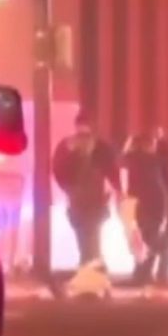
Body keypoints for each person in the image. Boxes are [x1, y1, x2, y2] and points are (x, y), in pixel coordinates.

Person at [52, 112, 119, 271]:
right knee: (88, 235)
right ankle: (91, 266)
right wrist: (117, 189)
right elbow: (112, 170)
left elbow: (58, 169)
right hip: (87, 197)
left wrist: (67, 187)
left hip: (86, 197)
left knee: (88, 235)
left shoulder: (73, 145)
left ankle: (91, 267)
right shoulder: (95, 145)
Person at [123, 128, 168, 288]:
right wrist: (161, 139)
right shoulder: (155, 161)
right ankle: (148, 275)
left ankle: (144, 275)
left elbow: (123, 158)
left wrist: (131, 141)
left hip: (142, 206)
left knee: (146, 239)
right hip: (156, 206)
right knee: (151, 240)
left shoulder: (136, 159)